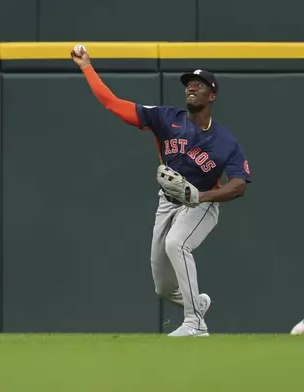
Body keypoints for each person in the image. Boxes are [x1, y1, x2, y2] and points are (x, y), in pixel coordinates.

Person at [70, 45, 252, 337]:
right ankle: (197, 304)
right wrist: (86, 67)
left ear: (212, 96)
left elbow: (239, 185)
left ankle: (195, 323)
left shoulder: (225, 141)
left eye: (199, 85)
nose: (191, 87)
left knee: (176, 243)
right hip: (167, 203)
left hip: (202, 204)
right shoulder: (166, 118)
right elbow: (113, 103)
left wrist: (201, 196)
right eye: (189, 84)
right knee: (164, 288)